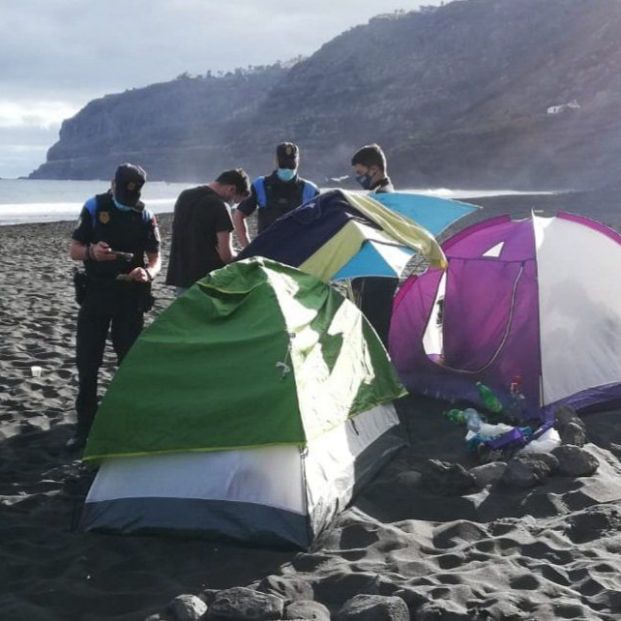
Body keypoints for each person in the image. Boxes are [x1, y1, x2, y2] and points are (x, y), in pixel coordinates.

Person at [68, 163, 162, 449]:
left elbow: (156, 257)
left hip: (130, 297)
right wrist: (92, 253)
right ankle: (85, 427)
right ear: (113, 185)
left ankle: (128, 421)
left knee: (129, 363)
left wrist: (147, 273)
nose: (127, 199)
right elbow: (74, 250)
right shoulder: (95, 206)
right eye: (123, 193)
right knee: (88, 362)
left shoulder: (145, 215)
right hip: (96, 294)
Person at [165, 168, 251, 294]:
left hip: (182, 276)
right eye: (235, 200)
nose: (233, 204)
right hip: (208, 280)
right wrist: (241, 257)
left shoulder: (185, 196)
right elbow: (225, 255)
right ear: (231, 189)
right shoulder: (220, 206)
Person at [350, 144, 397, 347]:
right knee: (380, 328)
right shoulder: (386, 193)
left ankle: (376, 374)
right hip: (385, 272)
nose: (359, 178)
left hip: (374, 274)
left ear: (374, 169)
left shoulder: (382, 198)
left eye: (360, 173)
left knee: (371, 332)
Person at [233, 142, 319, 248]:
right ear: (277, 161)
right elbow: (239, 215)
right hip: (268, 252)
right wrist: (248, 248)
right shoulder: (260, 185)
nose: (287, 166)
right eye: (284, 162)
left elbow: (321, 222)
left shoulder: (310, 190)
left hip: (298, 254)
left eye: (291, 162)